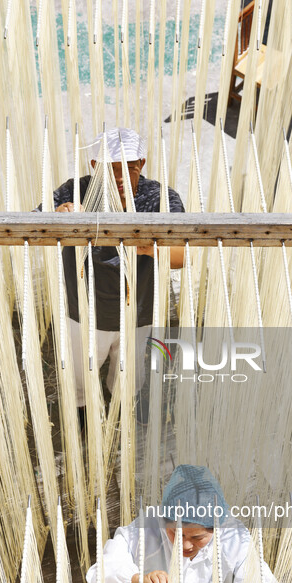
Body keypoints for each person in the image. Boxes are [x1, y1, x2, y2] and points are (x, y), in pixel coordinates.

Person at [44, 128, 185, 414]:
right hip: (83, 312)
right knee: (79, 379)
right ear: (95, 166)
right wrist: (59, 218)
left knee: (127, 378)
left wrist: (140, 243)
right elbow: (35, 228)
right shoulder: (75, 191)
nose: (120, 178)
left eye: (129, 169)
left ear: (142, 164)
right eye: (112, 169)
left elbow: (180, 256)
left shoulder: (159, 199)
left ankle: (121, 409)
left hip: (137, 312)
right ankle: (83, 414)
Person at [86, 465, 278, 583]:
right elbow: (102, 572)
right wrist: (138, 579)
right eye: (175, 533)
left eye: (197, 538)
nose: (185, 545)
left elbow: (261, 582)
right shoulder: (146, 529)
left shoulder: (233, 537)